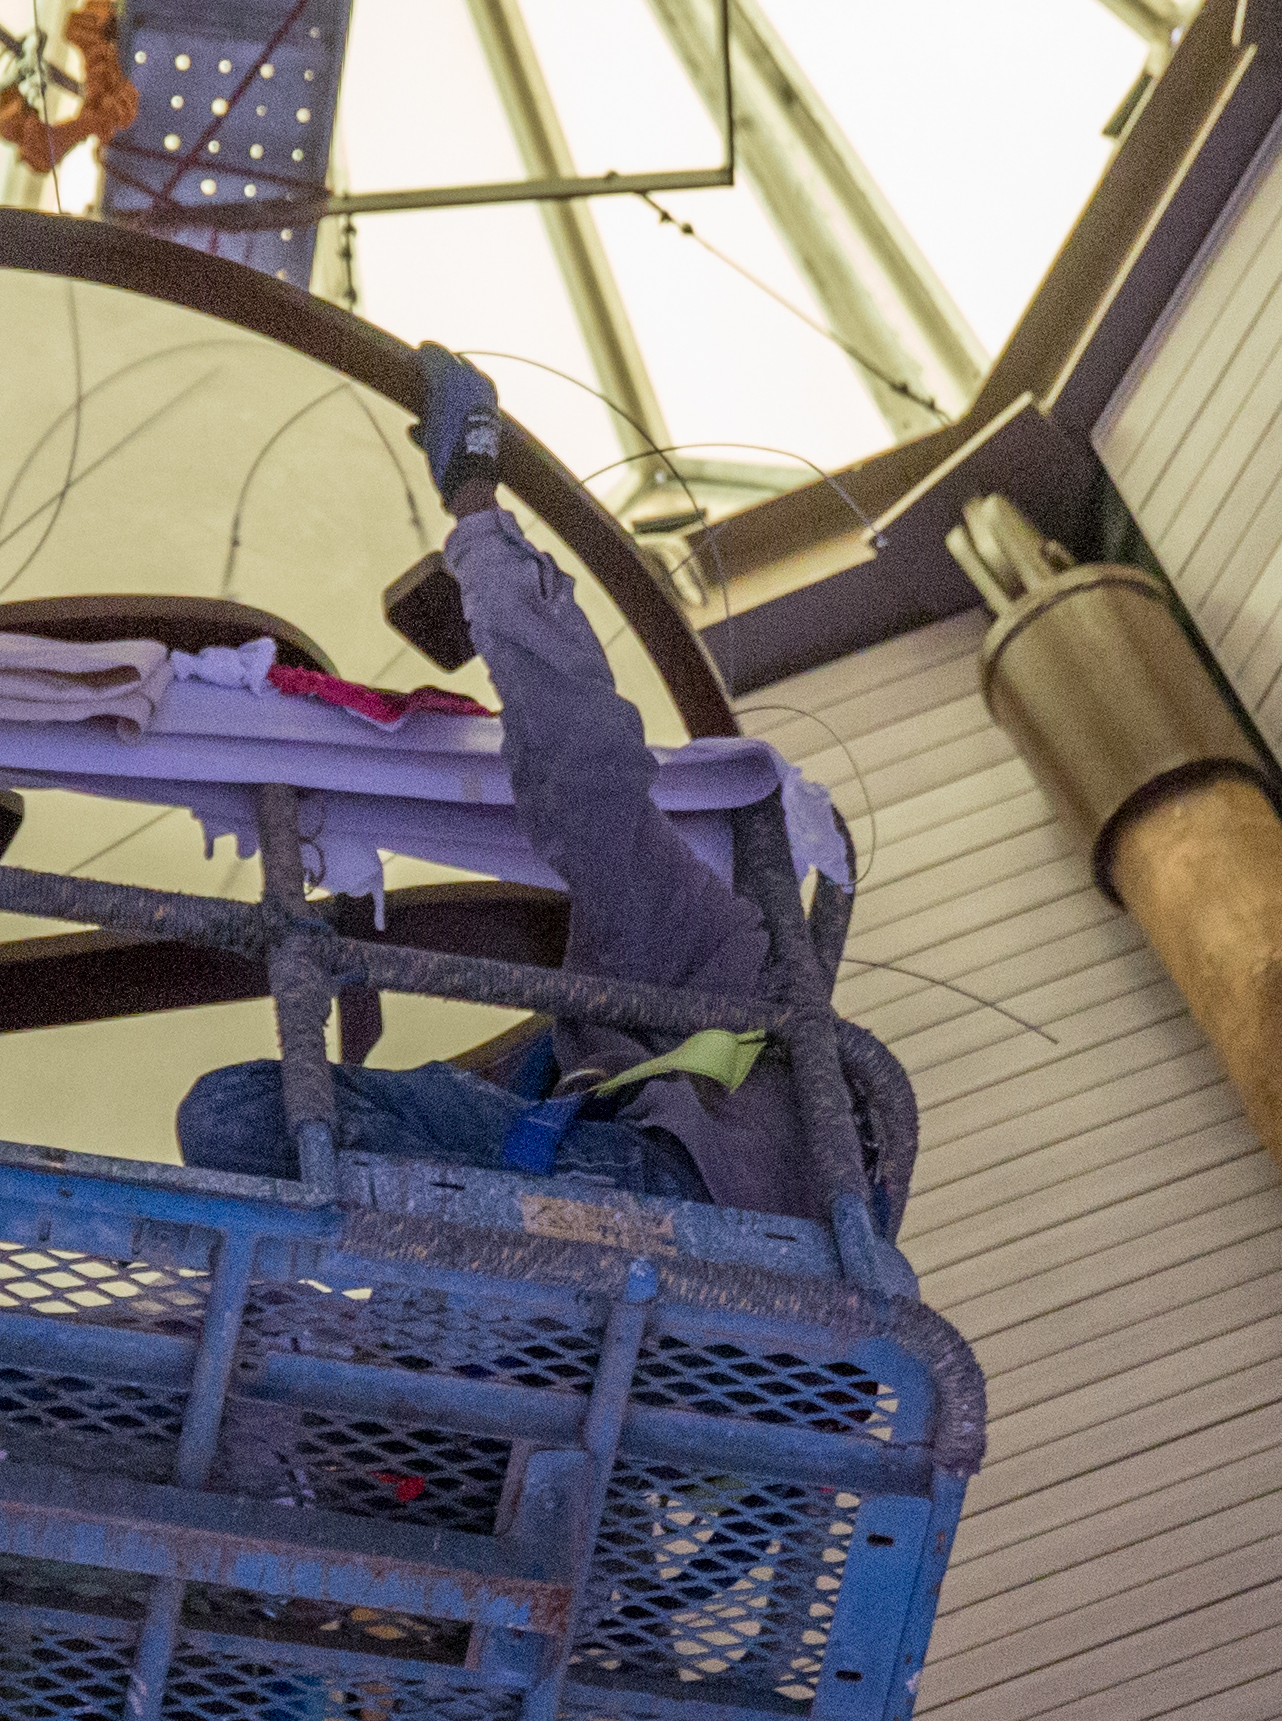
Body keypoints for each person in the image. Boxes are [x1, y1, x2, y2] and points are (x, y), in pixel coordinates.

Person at [172, 347, 838, 1219]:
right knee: (250, 1121)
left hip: (672, 1191)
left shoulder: (680, 923)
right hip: (623, 1194)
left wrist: (475, 502)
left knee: (237, 1114)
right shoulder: (592, 1028)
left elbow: (580, 754)